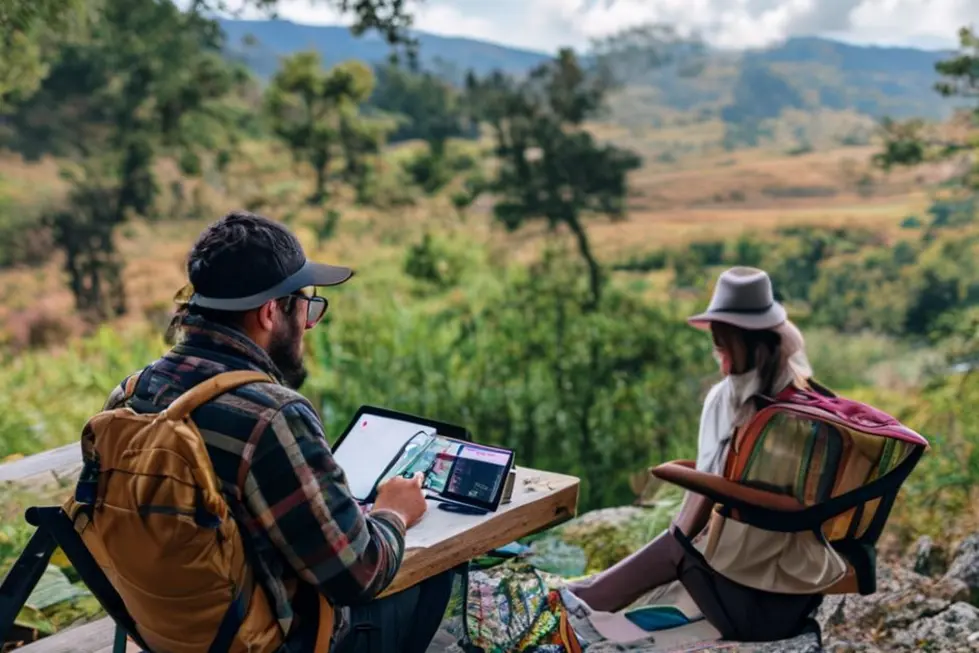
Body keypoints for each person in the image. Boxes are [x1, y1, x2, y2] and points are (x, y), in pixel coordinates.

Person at [103, 210, 454, 652]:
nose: (309, 324)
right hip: (271, 643)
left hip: (169, 636)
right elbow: (359, 575)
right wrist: (393, 513)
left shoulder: (130, 394)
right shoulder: (271, 415)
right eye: (307, 306)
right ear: (271, 312)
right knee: (439, 575)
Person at [567, 266, 823, 615]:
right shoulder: (800, 401)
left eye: (719, 343)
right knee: (673, 544)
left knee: (677, 544)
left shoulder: (728, 401)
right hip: (793, 577)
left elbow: (699, 511)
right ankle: (589, 591)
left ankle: (587, 596)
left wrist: (679, 533)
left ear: (728, 343)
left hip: (744, 582)